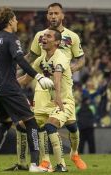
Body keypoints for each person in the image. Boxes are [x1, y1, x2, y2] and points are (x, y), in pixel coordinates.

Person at [8, 2, 87, 171]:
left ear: (62, 15)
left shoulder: (72, 37)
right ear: (47, 16)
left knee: (72, 125)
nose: (53, 16)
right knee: (41, 124)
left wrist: (71, 68)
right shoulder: (40, 36)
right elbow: (31, 57)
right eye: (50, 13)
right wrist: (12, 68)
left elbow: (81, 59)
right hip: (43, 84)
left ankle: (74, 153)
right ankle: (46, 161)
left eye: (56, 13)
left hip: (63, 84)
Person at [0, 7, 53, 173]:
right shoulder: (11, 38)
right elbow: (20, 59)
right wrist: (39, 77)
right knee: (31, 122)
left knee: (5, 122)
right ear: (8, 21)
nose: (16, 22)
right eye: (14, 19)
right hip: (8, 88)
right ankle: (35, 165)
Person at [18, 28, 73, 172]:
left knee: (50, 126)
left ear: (57, 42)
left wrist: (59, 98)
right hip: (47, 103)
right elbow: (25, 79)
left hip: (63, 102)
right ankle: (34, 163)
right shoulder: (40, 60)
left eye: (48, 36)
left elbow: (57, 75)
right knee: (24, 124)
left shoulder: (60, 57)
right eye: (43, 36)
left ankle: (62, 165)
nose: (44, 38)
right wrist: (6, 84)